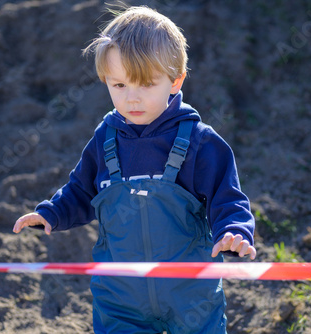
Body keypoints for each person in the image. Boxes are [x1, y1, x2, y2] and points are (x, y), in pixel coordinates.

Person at [13, 5, 256, 334]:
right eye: (119, 86)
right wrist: (53, 212)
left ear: (175, 80)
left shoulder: (199, 143)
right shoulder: (105, 139)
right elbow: (82, 190)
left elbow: (228, 198)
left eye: (145, 85)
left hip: (191, 295)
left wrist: (235, 232)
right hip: (120, 297)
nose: (132, 99)